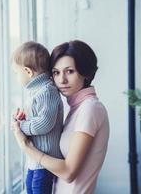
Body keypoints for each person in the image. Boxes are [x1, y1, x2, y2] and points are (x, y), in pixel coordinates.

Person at [12, 40, 110, 194]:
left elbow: (68, 173)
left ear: (85, 73)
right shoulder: (73, 108)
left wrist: (26, 147)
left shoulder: (90, 109)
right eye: (56, 72)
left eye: (69, 71)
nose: (61, 80)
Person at [11, 41, 64, 194]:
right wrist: (21, 119)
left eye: (16, 73)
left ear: (28, 72)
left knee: (38, 189)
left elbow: (44, 123)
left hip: (46, 161)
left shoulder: (47, 91)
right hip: (35, 160)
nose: (16, 77)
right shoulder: (35, 92)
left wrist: (22, 126)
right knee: (30, 188)